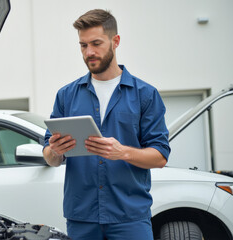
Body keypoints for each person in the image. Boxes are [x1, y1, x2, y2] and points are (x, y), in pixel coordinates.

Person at [43, 9, 170, 240]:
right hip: (82, 218)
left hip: (129, 217)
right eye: (83, 45)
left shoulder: (145, 95)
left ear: (115, 41)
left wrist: (122, 152)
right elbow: (50, 157)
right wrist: (56, 151)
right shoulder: (66, 95)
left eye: (96, 43)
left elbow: (160, 156)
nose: (89, 52)